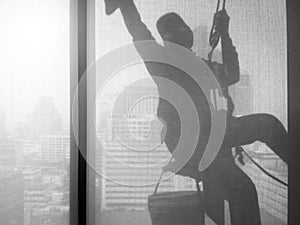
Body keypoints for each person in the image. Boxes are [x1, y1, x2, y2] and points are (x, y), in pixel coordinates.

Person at [105, 1, 288, 224]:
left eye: (183, 25)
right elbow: (137, 28)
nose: (184, 30)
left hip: (210, 140)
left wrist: (225, 35)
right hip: (195, 145)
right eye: (177, 27)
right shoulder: (163, 62)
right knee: (245, 179)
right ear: (168, 37)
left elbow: (231, 75)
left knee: (242, 185)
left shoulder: (200, 65)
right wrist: (125, 4)